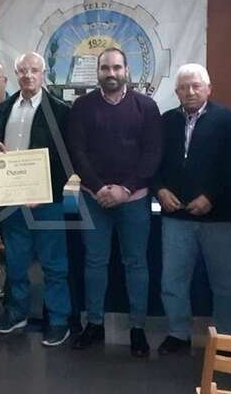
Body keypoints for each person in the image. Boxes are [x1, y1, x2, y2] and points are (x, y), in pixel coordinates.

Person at [66, 47, 162, 357]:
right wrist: (98, 188)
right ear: (98, 72)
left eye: (117, 67)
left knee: (136, 263)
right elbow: (77, 152)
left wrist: (125, 189)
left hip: (134, 199)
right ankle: (94, 324)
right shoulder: (82, 107)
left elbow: (152, 153)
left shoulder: (146, 107)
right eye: (105, 68)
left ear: (127, 70)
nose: (111, 73)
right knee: (95, 262)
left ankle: (137, 329)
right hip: (93, 198)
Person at [0, 52, 73, 347]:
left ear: (43, 73)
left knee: (54, 265)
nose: (28, 75)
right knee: (15, 261)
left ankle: (58, 321)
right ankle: (17, 313)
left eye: (33, 70)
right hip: (11, 200)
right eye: (22, 71)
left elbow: (68, 160)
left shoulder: (61, 111)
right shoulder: (4, 108)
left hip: (46, 202)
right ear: (16, 75)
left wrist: (45, 191)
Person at [154, 64, 231, 355]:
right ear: (176, 91)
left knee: (224, 282)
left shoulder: (229, 120)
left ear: (208, 89)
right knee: (173, 280)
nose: (190, 92)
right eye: (184, 87)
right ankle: (178, 333)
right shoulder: (166, 121)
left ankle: (225, 337)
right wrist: (160, 190)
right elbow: (153, 162)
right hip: (175, 217)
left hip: (218, 217)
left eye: (196, 86)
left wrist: (211, 197)